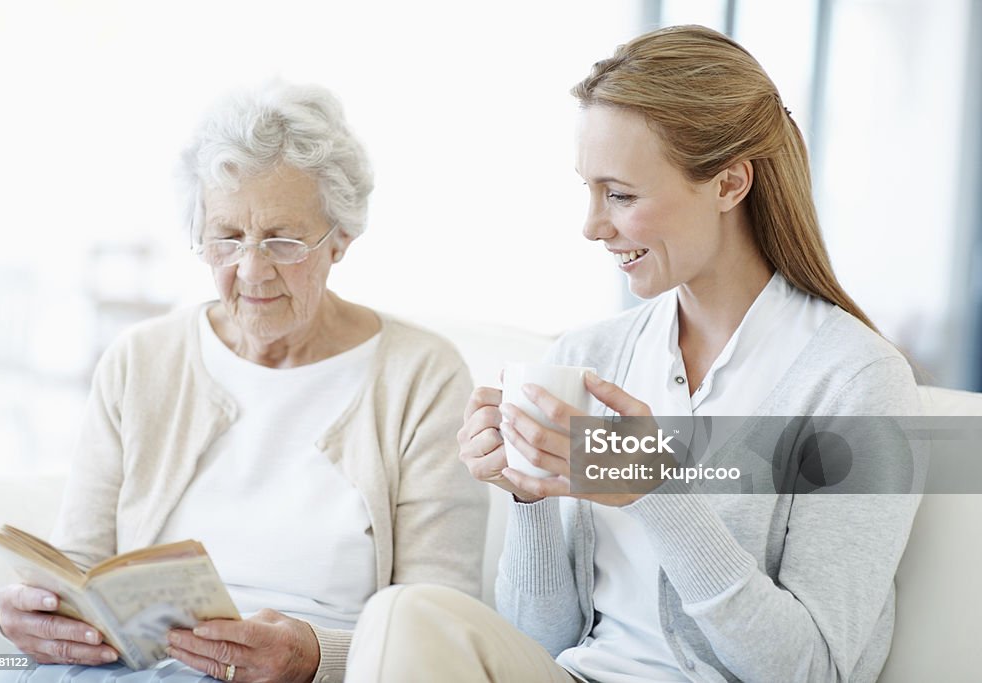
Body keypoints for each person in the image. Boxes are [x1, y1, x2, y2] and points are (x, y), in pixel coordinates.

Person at [346, 25, 922, 682]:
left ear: (731, 183)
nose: (591, 225)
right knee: (405, 613)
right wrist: (528, 497)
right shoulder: (590, 356)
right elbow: (543, 640)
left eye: (620, 194)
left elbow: (813, 669)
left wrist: (659, 488)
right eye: (589, 190)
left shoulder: (855, 382)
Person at [0, 81, 488, 683]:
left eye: (282, 240)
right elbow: (79, 563)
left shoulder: (421, 376)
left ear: (342, 240)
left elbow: (438, 625)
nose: (251, 270)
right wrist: (37, 616)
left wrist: (312, 656)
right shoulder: (141, 360)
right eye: (226, 238)